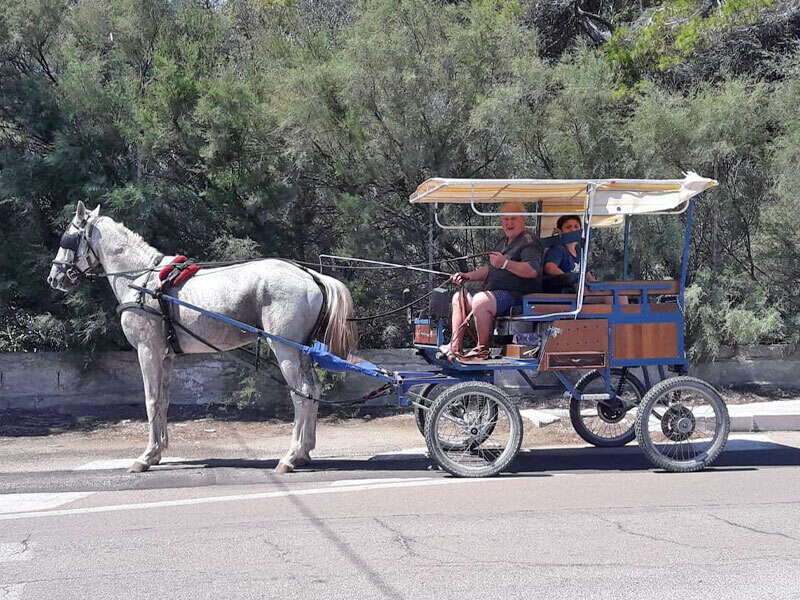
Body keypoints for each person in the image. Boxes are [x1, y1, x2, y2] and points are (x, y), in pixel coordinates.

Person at [441, 201, 543, 361]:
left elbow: (532, 270)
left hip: (518, 296)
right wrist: (467, 276)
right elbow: (491, 269)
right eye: (505, 219)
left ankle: (482, 349)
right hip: (496, 294)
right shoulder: (502, 242)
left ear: (523, 219)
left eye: (513, 219)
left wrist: (505, 263)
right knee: (458, 298)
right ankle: (454, 347)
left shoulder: (529, 242)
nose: (508, 223)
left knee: (481, 301)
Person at [544, 215, 626, 304]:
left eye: (576, 227)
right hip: (567, 293)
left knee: (621, 296)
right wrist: (569, 280)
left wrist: (600, 287)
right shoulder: (558, 249)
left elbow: (587, 275)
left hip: (583, 292)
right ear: (560, 231)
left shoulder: (580, 251)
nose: (573, 230)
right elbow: (550, 267)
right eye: (568, 227)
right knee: (613, 299)